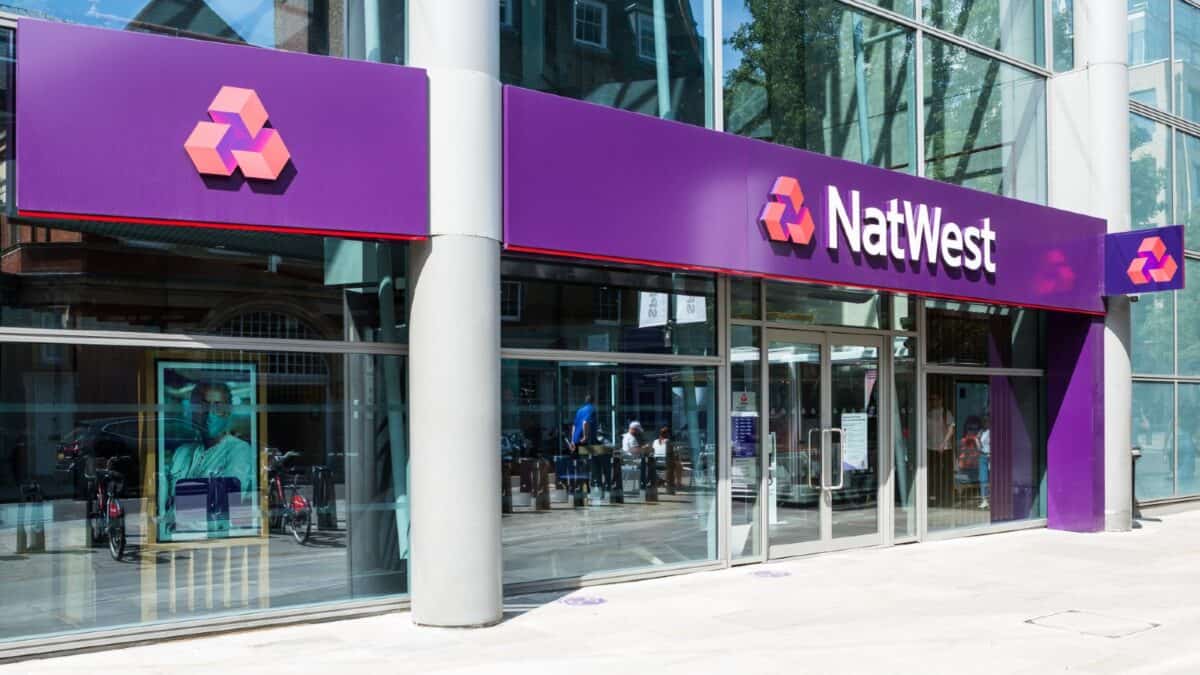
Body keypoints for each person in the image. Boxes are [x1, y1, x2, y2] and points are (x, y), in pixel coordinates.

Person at [165, 382, 256, 535]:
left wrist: (178, 511)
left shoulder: (239, 450)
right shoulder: (181, 452)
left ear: (227, 412)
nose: (209, 415)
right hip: (174, 537)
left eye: (217, 407)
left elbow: (222, 502)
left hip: (211, 538)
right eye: (203, 407)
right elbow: (163, 501)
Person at [570, 395, 608, 493]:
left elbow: (574, 426)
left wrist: (572, 440)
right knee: (593, 460)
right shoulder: (591, 409)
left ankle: (582, 486)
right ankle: (595, 485)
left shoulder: (579, 410)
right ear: (594, 401)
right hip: (586, 441)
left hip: (576, 441)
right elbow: (585, 422)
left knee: (580, 464)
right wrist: (586, 436)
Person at [978, 414, 991, 509]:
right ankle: (984, 500)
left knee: (992, 478)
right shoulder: (982, 431)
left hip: (991, 456)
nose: (985, 423)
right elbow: (977, 439)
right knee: (983, 479)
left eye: (987, 421)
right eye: (984, 421)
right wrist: (978, 443)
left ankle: (992, 499)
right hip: (983, 455)